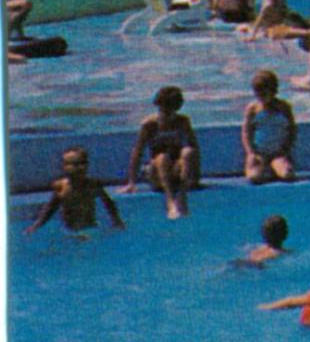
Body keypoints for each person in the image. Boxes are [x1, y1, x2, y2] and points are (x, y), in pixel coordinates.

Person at [124, 85, 201, 219]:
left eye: (170, 110)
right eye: (164, 110)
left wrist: (195, 175)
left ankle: (182, 197)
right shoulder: (149, 125)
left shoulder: (183, 121)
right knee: (162, 157)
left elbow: (194, 147)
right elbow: (138, 152)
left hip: (177, 171)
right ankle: (170, 201)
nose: (166, 114)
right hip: (158, 172)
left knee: (188, 151)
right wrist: (132, 182)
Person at [28, 147, 125, 234]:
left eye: (83, 163)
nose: (79, 167)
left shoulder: (93, 185)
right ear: (64, 167)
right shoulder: (61, 187)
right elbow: (51, 208)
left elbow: (108, 203)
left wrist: (117, 220)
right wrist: (36, 225)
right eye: (74, 164)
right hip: (70, 231)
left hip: (91, 228)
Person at [241, 70, 297, 183]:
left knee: (287, 175)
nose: (260, 97)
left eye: (264, 93)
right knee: (254, 178)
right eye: (258, 94)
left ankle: (273, 167)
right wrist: (251, 153)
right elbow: (246, 133)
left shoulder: (284, 107)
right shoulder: (252, 109)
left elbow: (292, 130)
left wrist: (286, 150)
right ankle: (265, 168)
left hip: (278, 153)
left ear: (273, 91)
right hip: (259, 153)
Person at [240, 0, 310, 47]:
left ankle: (307, 32)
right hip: (272, 30)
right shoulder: (268, 7)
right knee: (292, 31)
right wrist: (252, 36)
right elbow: (259, 22)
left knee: (297, 23)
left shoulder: (281, 5)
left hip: (281, 26)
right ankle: (307, 33)